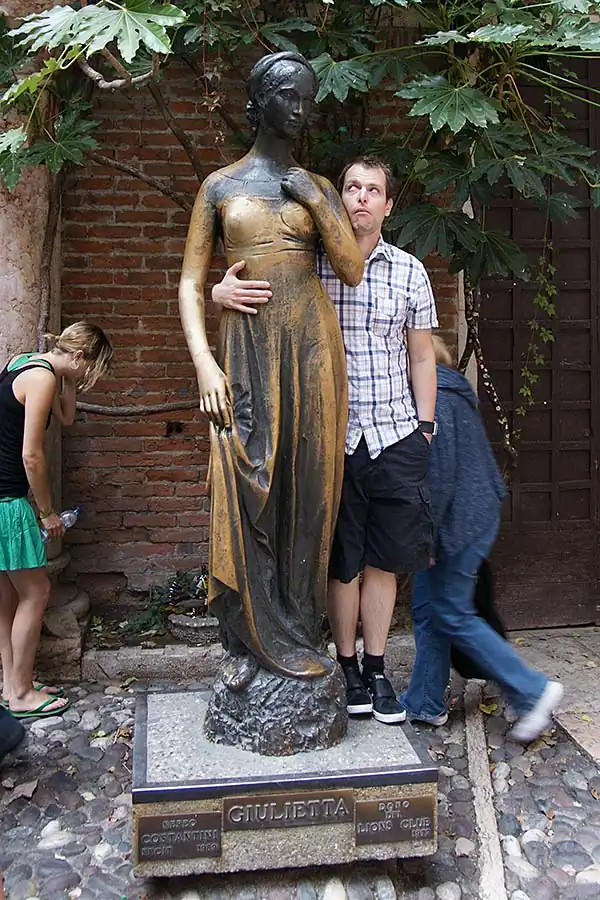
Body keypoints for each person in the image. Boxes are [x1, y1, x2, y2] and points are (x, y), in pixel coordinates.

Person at [212, 155, 437, 723]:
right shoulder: (313, 264)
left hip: (394, 432)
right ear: (337, 200)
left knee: (384, 561)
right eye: (352, 188)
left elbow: (421, 356)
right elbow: (248, 285)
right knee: (342, 559)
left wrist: (426, 427)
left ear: (388, 205)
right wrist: (219, 292)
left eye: (373, 190)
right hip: (331, 434)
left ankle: (378, 667)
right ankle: (347, 666)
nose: (361, 197)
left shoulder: (410, 271)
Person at [178, 52, 364, 692]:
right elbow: (189, 284)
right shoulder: (219, 187)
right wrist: (205, 358)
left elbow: (351, 268)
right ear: (258, 102)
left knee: (309, 490)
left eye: (308, 97)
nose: (300, 108)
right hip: (245, 353)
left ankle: (300, 631)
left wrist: (317, 199)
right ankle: (247, 640)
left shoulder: (316, 185)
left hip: (310, 350)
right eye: (288, 95)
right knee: (245, 480)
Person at [398, 336, 563, 742]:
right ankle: (425, 702)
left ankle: (533, 691)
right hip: (469, 514)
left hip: (459, 522)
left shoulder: (435, 398)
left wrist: (428, 540)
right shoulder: (449, 389)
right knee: (428, 607)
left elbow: (438, 476)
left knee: (452, 613)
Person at [0, 322, 113, 719]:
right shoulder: (42, 378)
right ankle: (21, 693)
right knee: (37, 593)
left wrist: (70, 376)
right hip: (8, 501)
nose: (89, 377)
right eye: (90, 368)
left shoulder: (25, 362)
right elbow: (32, 455)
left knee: (7, 596)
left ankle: (10, 686)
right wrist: (47, 513)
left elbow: (65, 417)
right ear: (80, 356)